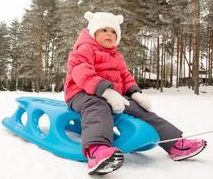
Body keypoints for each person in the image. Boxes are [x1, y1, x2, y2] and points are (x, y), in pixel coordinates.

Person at [64, 11, 207, 175]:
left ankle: (175, 144)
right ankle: (97, 150)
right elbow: (82, 73)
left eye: (113, 32)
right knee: (97, 106)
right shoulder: (84, 49)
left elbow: (126, 77)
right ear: (93, 31)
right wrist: (106, 92)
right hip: (82, 94)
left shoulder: (117, 57)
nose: (109, 34)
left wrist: (134, 93)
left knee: (142, 111)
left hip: (115, 96)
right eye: (104, 30)